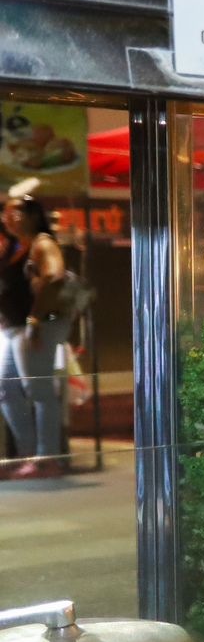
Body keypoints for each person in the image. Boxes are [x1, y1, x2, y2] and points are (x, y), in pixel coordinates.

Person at [0, 191, 70, 479]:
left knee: (39, 391)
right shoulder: (15, 246)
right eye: (5, 211)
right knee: (7, 389)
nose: (7, 216)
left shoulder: (42, 243)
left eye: (15, 211)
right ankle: (28, 455)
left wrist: (35, 318)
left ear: (32, 215)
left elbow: (54, 276)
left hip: (34, 327)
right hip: (13, 328)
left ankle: (46, 459)